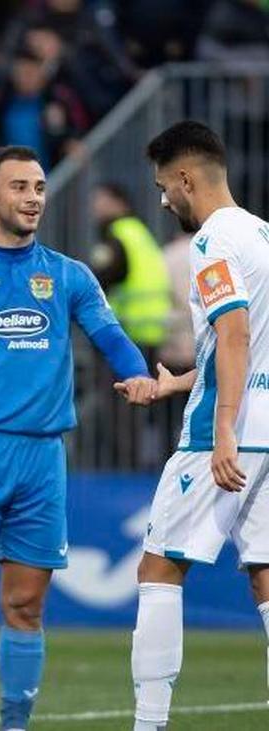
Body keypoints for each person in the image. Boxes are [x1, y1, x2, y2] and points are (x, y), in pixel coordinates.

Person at [0, 146, 157, 731]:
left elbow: (111, 337)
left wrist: (139, 373)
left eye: (40, 188)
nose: (34, 198)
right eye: (19, 187)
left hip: (42, 460)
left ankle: (15, 725)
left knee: (25, 606)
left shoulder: (69, 275)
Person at [116, 121, 269, 731]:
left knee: (158, 568)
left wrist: (223, 426)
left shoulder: (211, 243)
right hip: (268, 424)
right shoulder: (262, 234)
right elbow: (253, 344)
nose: (162, 200)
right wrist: (181, 381)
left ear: (186, 178)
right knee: (264, 574)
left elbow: (234, 332)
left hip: (222, 434)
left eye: (163, 186)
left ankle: (148, 724)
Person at [89, 182, 172, 351]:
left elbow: (107, 275)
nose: (96, 206)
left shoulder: (118, 233)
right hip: (152, 324)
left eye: (102, 201)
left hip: (130, 325)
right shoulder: (136, 229)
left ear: (119, 203)